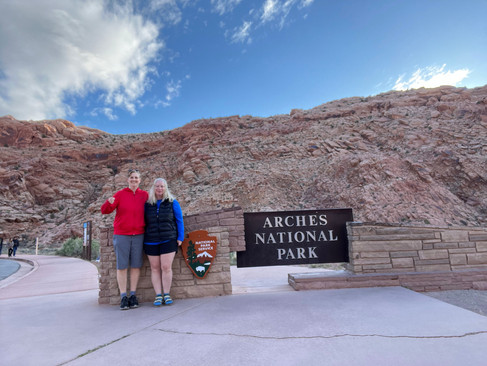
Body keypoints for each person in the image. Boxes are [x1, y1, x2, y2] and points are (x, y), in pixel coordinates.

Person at [101, 169, 148, 310]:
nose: (134, 180)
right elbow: (105, 210)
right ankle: (123, 297)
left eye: (136, 178)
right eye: (131, 178)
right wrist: (108, 203)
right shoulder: (120, 194)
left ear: (140, 181)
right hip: (122, 235)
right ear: (128, 180)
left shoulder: (144, 195)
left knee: (135, 265)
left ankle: (132, 295)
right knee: (121, 266)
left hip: (139, 234)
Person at [144, 178, 184, 306]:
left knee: (166, 267)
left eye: (162, 186)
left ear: (165, 188)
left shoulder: (173, 202)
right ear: (153, 188)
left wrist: (180, 237)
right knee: (154, 268)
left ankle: (166, 294)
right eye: (157, 186)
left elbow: (179, 220)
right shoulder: (148, 204)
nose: (159, 188)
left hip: (169, 239)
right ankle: (158, 295)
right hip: (151, 240)